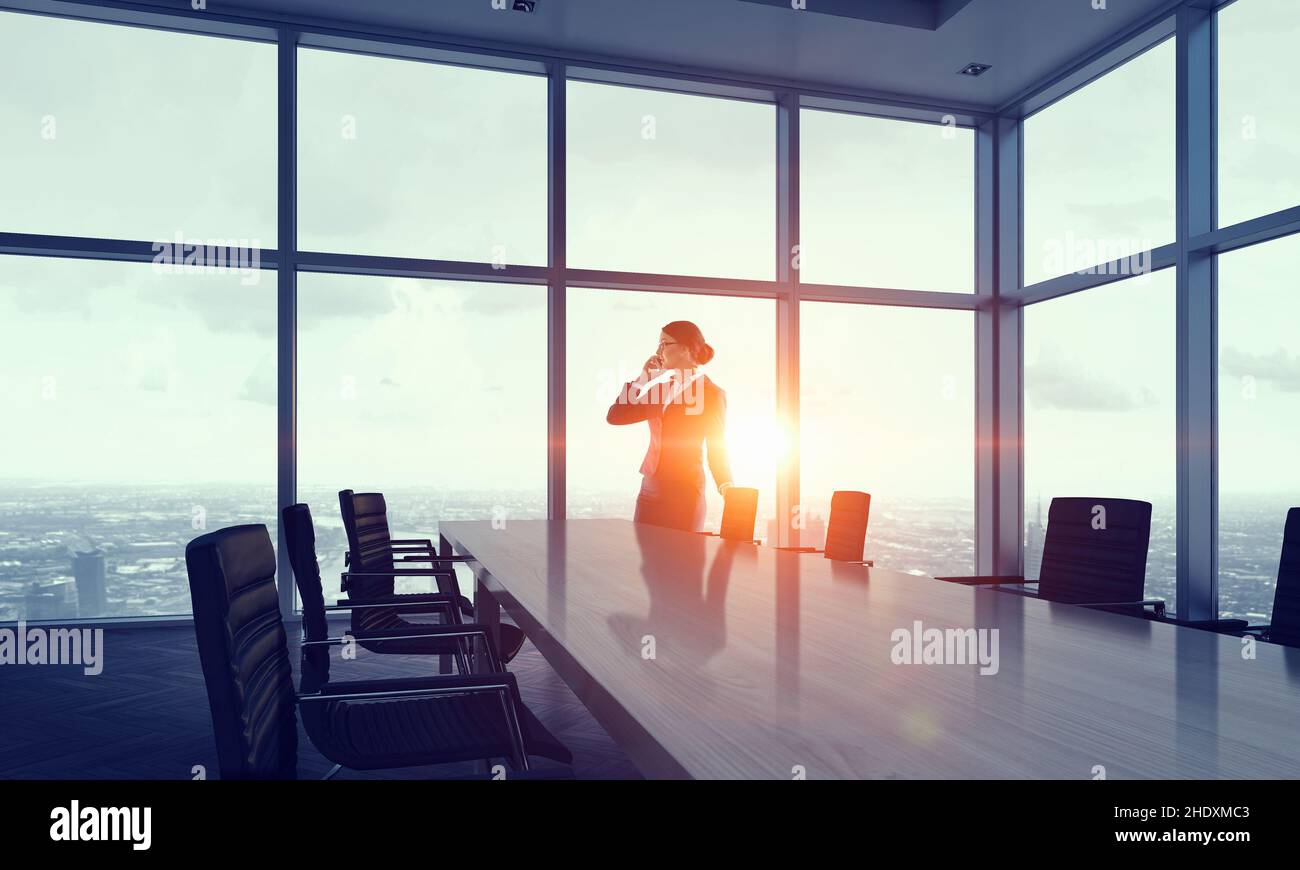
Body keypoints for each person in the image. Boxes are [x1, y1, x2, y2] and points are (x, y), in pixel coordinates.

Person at [606, 320, 733, 532]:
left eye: (664, 344)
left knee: (682, 561)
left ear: (684, 349)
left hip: (685, 494)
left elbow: (717, 446)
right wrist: (643, 379)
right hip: (649, 491)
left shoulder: (711, 394)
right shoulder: (660, 390)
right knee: (646, 562)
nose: (658, 351)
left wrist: (725, 484)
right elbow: (616, 416)